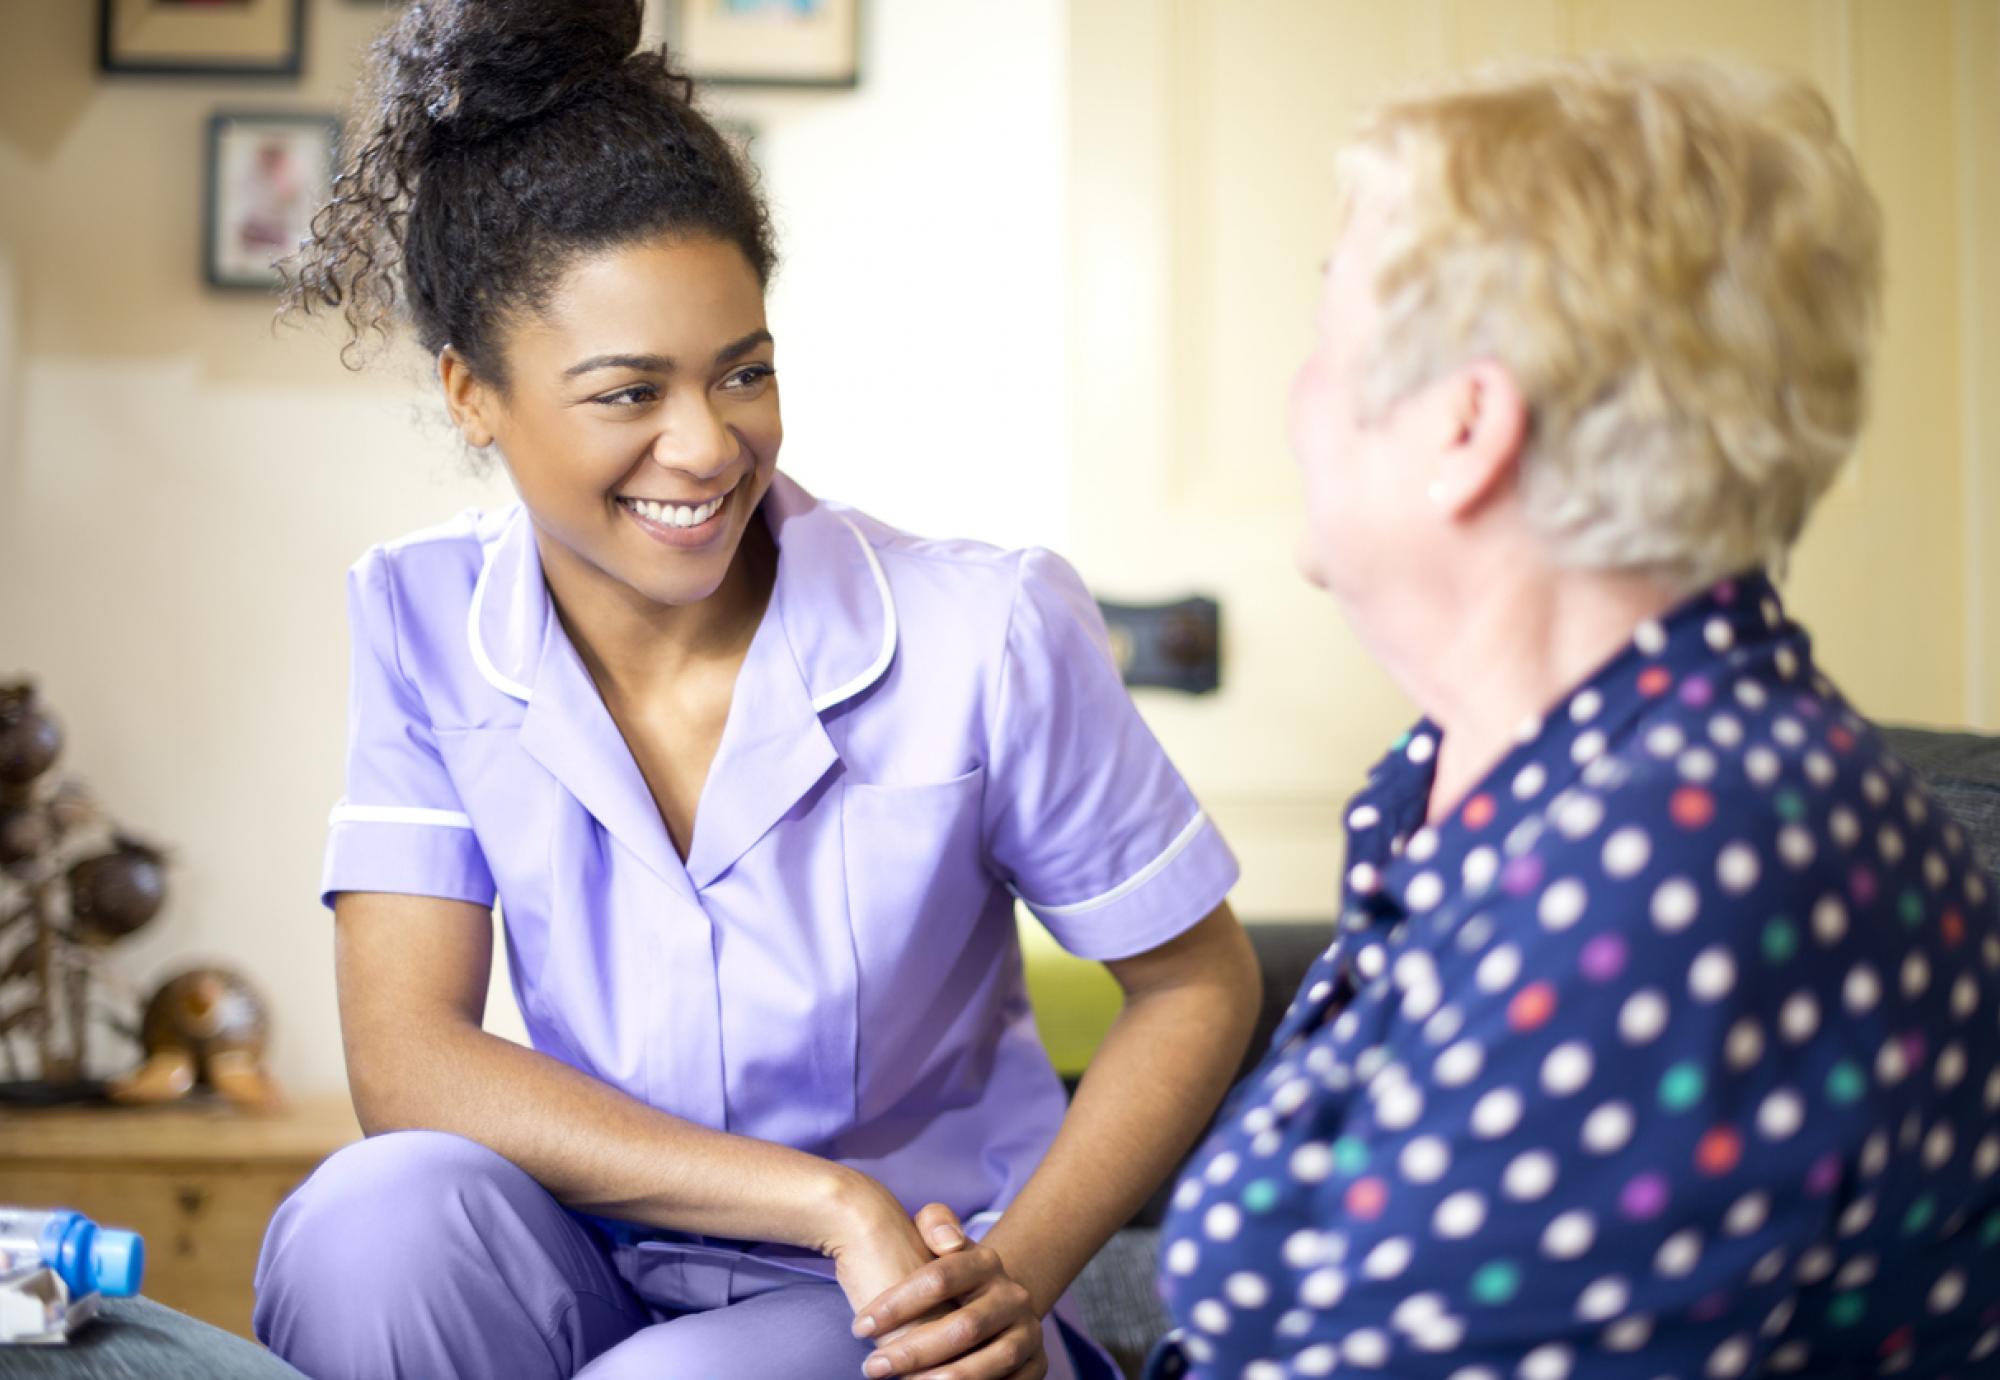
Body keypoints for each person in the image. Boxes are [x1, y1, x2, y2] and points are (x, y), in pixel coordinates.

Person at [251, 4, 1262, 1378]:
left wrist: (1008, 1282)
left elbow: (1196, 982)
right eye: (627, 393)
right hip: (606, 1259)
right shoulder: (423, 616)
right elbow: (409, 1060)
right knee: (366, 1225)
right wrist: (820, 1197)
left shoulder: (986, 626)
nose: (707, 445)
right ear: (471, 394)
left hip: (912, 1305)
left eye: (745, 371)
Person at [1151, 56, 2000, 1378]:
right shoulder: (1479, 780)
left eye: (1331, 330)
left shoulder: (1703, 847)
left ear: (1468, 426)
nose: (1297, 396)